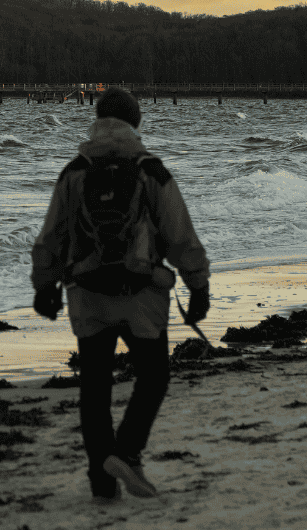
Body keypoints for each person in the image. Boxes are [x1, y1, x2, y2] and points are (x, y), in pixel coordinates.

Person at [30, 86, 210, 501]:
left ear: (96, 119)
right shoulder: (152, 170)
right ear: (137, 122)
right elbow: (180, 236)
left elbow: (51, 239)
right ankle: (127, 452)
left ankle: (102, 482)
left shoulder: (74, 171)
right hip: (142, 295)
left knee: (95, 387)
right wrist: (198, 286)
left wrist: (45, 287)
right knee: (154, 378)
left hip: (87, 293)